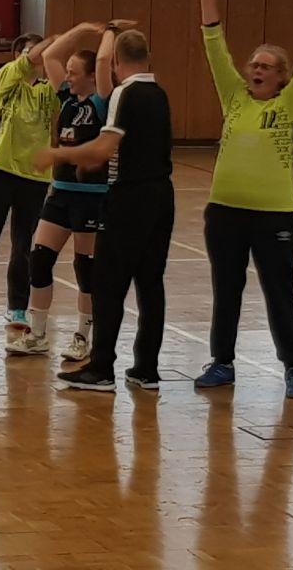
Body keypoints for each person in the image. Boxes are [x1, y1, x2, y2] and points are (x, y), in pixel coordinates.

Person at [192, 0, 293, 401]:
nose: (256, 69)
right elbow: (214, 45)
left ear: (281, 76)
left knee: (278, 292)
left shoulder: (292, 102)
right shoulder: (234, 96)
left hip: (274, 216)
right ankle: (222, 362)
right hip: (225, 213)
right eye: (253, 63)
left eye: (266, 66)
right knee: (227, 289)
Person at [45, 30, 174, 393]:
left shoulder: (125, 93)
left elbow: (104, 148)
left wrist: (61, 154)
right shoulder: (159, 93)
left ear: (116, 62)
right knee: (150, 283)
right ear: (147, 57)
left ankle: (101, 368)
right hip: (161, 196)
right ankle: (146, 369)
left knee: (107, 283)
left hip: (129, 197)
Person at [5, 21, 119, 360]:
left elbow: (103, 61)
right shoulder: (66, 99)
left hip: (92, 197)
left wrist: (108, 31)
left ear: (90, 76)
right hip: (61, 193)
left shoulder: (102, 101)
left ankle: (83, 337)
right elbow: (51, 56)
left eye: (73, 72)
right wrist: (81, 28)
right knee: (39, 260)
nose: (67, 76)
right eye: (66, 72)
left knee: (86, 269)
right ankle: (38, 334)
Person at [0, 31, 57, 332]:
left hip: (35, 176)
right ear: (18, 57)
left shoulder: (49, 90)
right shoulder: (9, 76)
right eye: (29, 52)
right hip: (0, 169)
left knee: (22, 247)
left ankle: (17, 306)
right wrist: (53, 40)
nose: (35, 57)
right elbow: (31, 58)